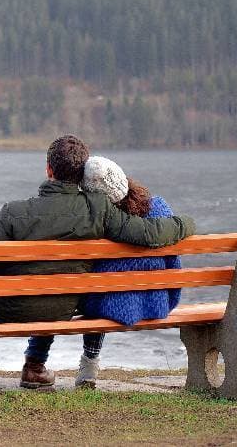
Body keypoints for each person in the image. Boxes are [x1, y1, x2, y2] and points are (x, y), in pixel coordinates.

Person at [0, 134, 196, 390]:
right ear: (81, 175)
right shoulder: (98, 210)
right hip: (62, 308)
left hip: (8, 309)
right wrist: (187, 223)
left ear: (48, 169)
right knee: (49, 288)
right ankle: (34, 367)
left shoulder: (14, 212)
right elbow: (149, 234)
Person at [73, 156, 182, 388]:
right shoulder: (160, 208)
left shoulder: (97, 223)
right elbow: (174, 263)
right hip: (157, 302)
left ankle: (90, 361)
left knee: (96, 287)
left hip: (105, 306)